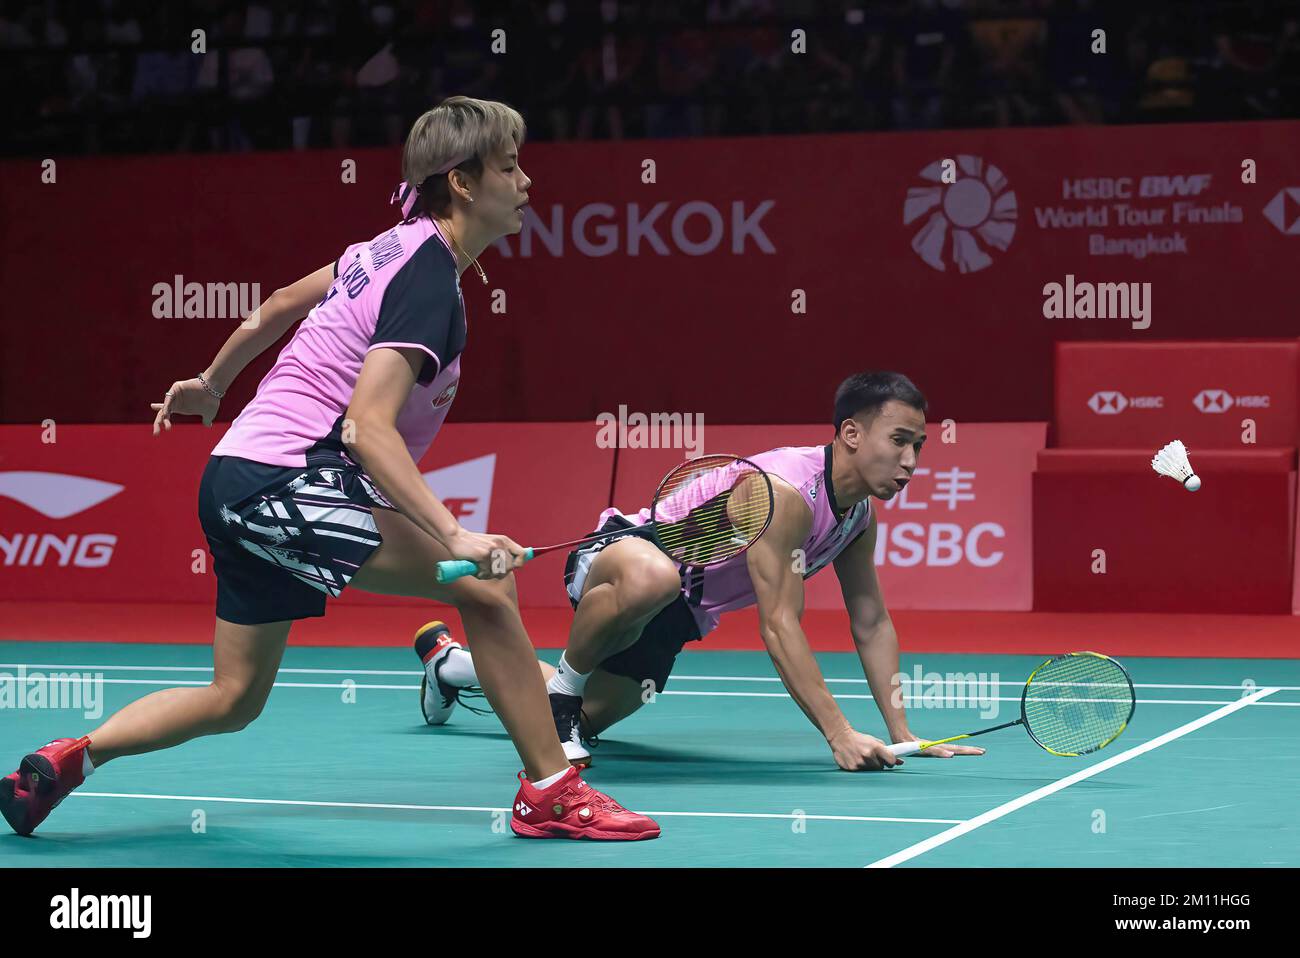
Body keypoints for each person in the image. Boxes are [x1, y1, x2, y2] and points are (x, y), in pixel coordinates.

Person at [1, 97, 659, 843]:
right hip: (286, 477)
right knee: (484, 582)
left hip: (234, 477)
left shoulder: (379, 249)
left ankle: (67, 761)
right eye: (510, 166)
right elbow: (366, 428)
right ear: (465, 183)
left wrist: (214, 383)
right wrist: (454, 532)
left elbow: (279, 304)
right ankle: (549, 793)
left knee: (235, 696)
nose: (528, 181)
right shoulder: (426, 277)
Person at [417, 371, 986, 771]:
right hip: (624, 561)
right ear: (851, 434)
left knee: (579, 721)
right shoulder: (788, 492)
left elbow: (871, 622)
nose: (911, 462)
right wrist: (838, 735)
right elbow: (779, 624)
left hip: (676, 619)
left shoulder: (858, 516)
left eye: (919, 445)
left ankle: (454, 666)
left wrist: (902, 732)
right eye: (900, 441)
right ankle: (565, 690)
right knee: (652, 580)